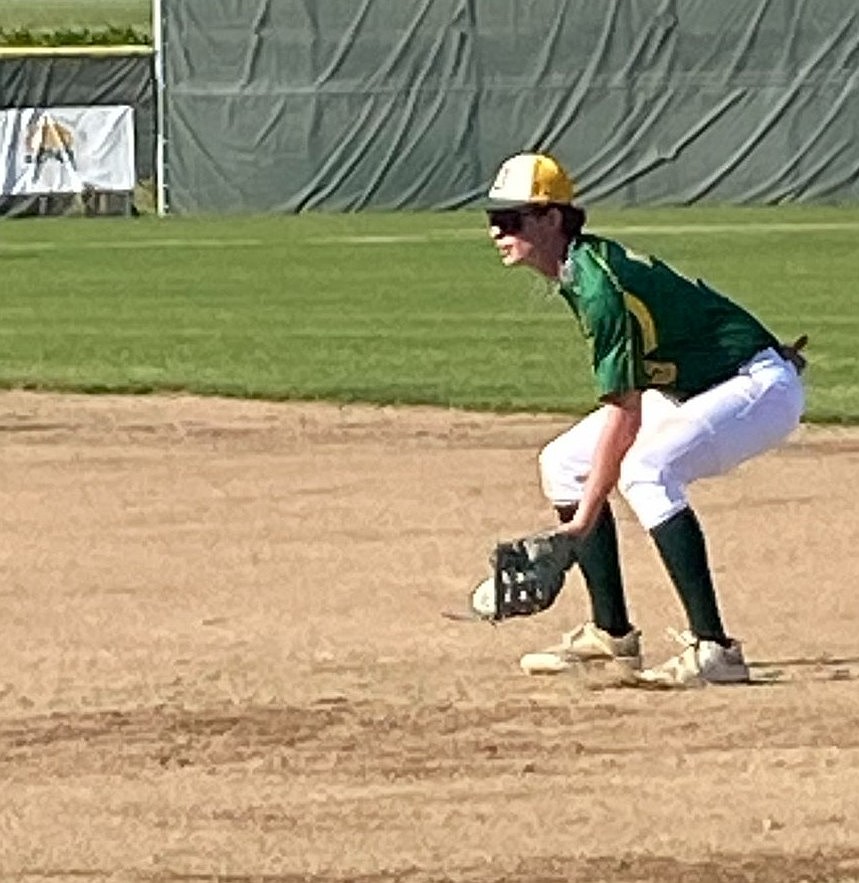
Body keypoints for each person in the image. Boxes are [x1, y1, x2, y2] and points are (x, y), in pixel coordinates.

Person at [483, 152, 806, 686]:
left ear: (552, 218)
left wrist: (580, 522)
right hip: (695, 388)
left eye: (513, 218)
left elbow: (624, 415)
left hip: (754, 387)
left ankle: (716, 650)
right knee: (563, 462)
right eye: (493, 218)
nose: (498, 229)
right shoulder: (578, 268)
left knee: (647, 471)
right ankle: (612, 635)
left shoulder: (599, 285)